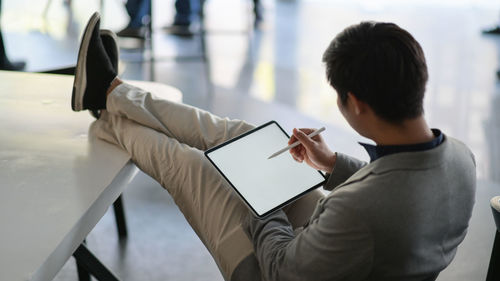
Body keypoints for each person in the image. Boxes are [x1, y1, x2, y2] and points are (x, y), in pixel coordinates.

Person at [72, 12, 476, 281]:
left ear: (355, 103)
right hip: (351, 250)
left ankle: (107, 115)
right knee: (244, 136)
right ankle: (111, 92)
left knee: (191, 167)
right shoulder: (459, 157)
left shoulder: (361, 208)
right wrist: (331, 163)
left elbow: (281, 269)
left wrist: (260, 198)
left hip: (273, 269)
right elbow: (396, 187)